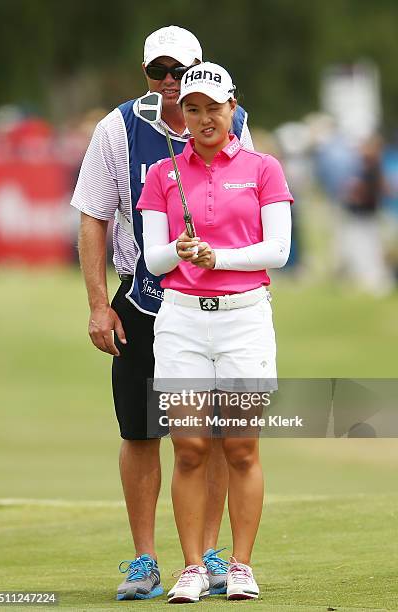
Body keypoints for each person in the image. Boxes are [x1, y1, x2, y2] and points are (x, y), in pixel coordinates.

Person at [70, 26, 254, 600]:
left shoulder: (234, 121)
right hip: (144, 300)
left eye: (182, 71)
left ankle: (209, 555)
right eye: (160, 73)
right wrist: (100, 305)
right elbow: (93, 215)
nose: (171, 84)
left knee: (215, 432)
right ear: (146, 74)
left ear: (204, 67)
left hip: (215, 301)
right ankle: (144, 560)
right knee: (141, 429)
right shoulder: (118, 128)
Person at [137, 62, 293, 602]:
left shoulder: (263, 168)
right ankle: (192, 568)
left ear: (233, 108)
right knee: (189, 448)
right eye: (194, 109)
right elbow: (153, 261)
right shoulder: (164, 174)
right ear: (183, 114)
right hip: (181, 320)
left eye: (214, 108)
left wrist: (218, 255)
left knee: (242, 447)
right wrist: (177, 250)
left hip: (246, 318)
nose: (204, 118)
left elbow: (278, 250)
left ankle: (241, 565)